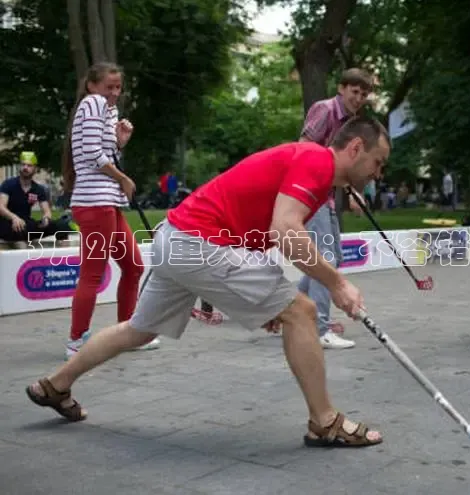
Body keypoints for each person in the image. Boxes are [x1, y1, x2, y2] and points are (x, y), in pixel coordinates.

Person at [24, 115, 390, 448]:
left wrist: (254, 299)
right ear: (355, 148)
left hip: (176, 238)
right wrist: (338, 284)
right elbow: (286, 231)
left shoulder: (312, 165)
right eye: (377, 162)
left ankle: (56, 385)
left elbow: (263, 229)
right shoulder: (317, 162)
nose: (378, 173)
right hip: (200, 243)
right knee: (302, 311)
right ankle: (325, 421)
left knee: (140, 329)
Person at [61, 62, 160, 359]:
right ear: (92, 85)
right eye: (109, 87)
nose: (115, 93)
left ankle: (127, 333)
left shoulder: (107, 110)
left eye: (118, 87)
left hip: (108, 203)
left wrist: (119, 142)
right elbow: (92, 155)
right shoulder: (92, 103)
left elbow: (103, 152)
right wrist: (123, 178)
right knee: (93, 273)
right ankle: (76, 340)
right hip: (95, 203)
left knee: (133, 266)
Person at [296, 68, 374, 350]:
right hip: (309, 192)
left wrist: (353, 191)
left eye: (364, 94)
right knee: (325, 258)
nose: (359, 98)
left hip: (326, 194)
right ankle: (319, 329)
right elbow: (304, 148)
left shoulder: (351, 122)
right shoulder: (325, 110)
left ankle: (287, 311)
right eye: (355, 92)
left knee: (334, 257)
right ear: (341, 88)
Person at [0, 151, 73, 246]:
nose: (25, 168)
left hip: (26, 225)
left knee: (62, 226)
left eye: (29, 166)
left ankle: (64, 254)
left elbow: (47, 211)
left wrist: (46, 218)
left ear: (35, 168)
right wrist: (14, 218)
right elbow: (1, 207)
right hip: (8, 225)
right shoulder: (8, 184)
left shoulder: (38, 189)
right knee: (19, 232)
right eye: (23, 165)